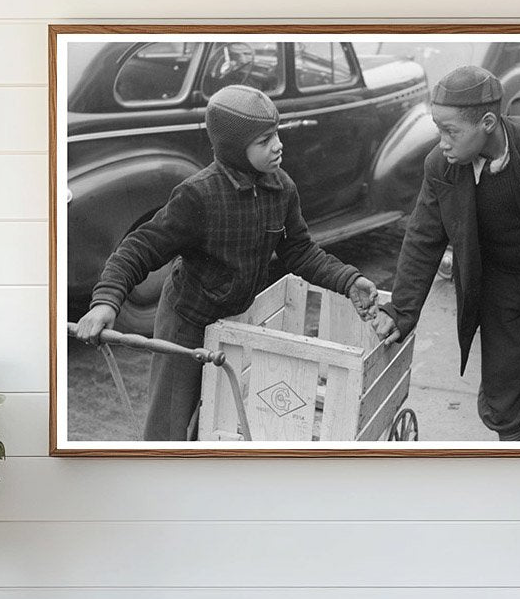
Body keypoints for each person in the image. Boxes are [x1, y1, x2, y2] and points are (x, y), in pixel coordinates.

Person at [75, 84, 379, 441]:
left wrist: (347, 280)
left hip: (234, 319)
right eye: (264, 140)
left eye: (276, 134)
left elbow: (301, 251)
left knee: (219, 415)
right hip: (186, 320)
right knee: (170, 425)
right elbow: (139, 247)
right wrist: (106, 302)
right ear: (235, 148)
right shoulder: (198, 195)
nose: (278, 145)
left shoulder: (281, 188)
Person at [372, 65, 520, 442]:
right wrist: (401, 313)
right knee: (503, 381)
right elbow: (423, 238)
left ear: (487, 122)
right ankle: (510, 453)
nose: (442, 142)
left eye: (450, 131)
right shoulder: (440, 165)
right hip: (499, 283)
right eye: (438, 130)